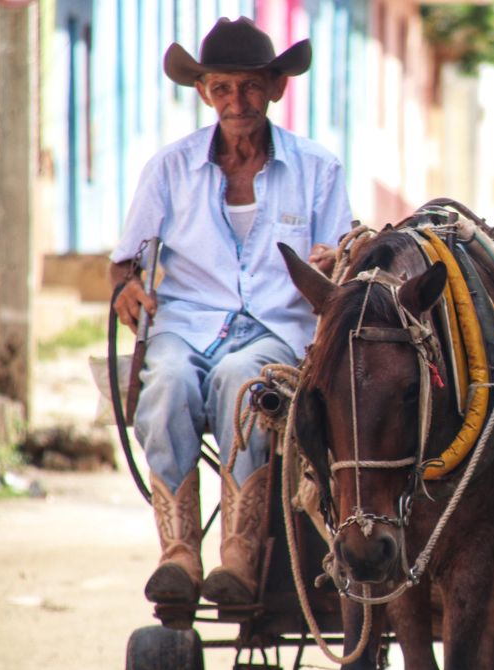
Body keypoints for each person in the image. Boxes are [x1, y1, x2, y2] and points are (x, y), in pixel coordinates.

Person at [108, 17, 351, 606]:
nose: (236, 102)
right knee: (163, 384)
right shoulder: (168, 169)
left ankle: (238, 556)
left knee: (240, 384)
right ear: (203, 92)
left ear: (275, 88)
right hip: (186, 325)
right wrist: (125, 290)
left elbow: (344, 261)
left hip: (277, 327)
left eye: (249, 87)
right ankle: (179, 553)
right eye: (222, 88)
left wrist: (332, 259)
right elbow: (125, 263)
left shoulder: (319, 168)